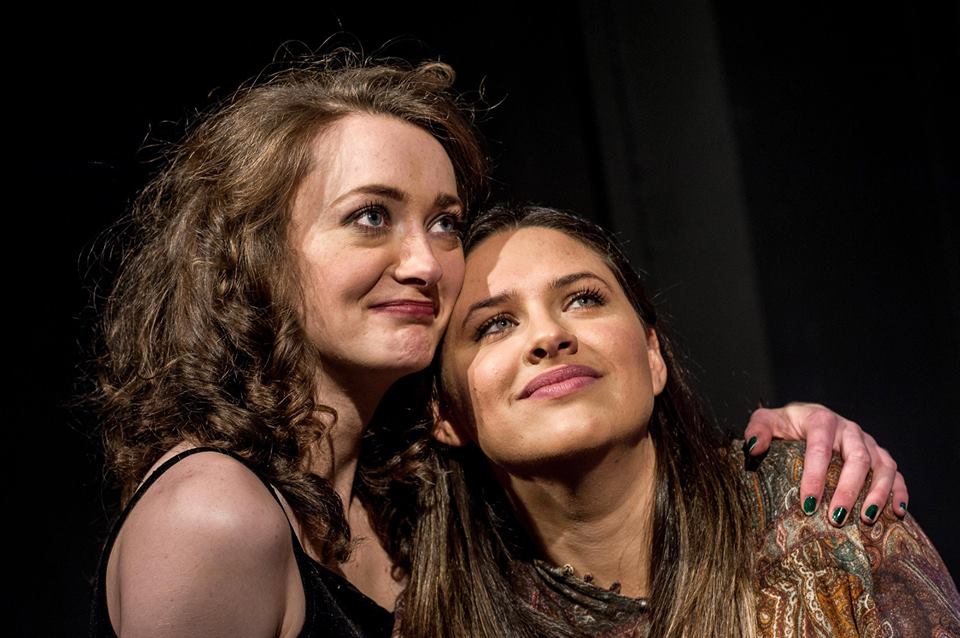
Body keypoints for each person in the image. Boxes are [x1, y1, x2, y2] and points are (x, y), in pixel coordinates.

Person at [89, 54, 908, 638]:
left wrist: (801, 441)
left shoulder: (415, 513)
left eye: (444, 222)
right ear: (254, 253)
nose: (424, 262)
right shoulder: (215, 515)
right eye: (371, 217)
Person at [397, 204, 960, 637]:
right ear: (446, 414)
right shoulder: (438, 617)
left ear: (652, 356)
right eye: (494, 325)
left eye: (583, 299)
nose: (549, 335)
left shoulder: (813, 504)